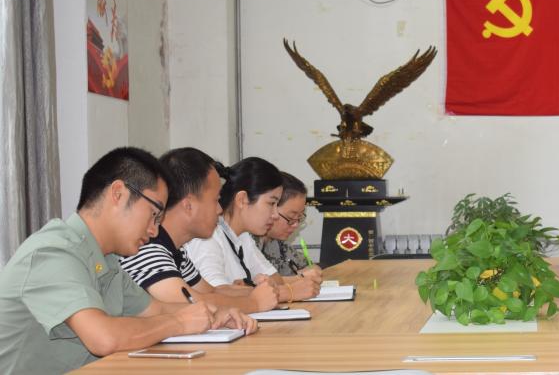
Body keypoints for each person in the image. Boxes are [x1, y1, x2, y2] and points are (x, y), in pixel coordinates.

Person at [0, 147, 256, 374]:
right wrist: (180, 323)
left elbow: (155, 310)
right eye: (153, 214)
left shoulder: (108, 260)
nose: (154, 231)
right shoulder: (52, 252)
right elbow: (104, 338)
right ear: (118, 193)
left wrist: (215, 315)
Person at [120, 147, 278, 313]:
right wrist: (255, 303)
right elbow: (189, 302)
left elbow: (211, 292)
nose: (219, 209)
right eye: (215, 200)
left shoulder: (176, 251)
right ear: (188, 205)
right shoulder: (146, 246)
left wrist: (261, 292)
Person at [185, 157, 321, 303]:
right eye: (271, 203)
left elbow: (275, 279)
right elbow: (215, 295)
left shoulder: (242, 236)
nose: (275, 214)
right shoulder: (206, 237)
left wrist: (258, 287)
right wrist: (287, 292)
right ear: (242, 199)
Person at [259, 172, 322, 277]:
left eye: (299, 217)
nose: (295, 225)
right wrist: (298, 279)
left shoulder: (278, 242)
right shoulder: (247, 241)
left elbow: (309, 266)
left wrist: (311, 270)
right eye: (291, 217)